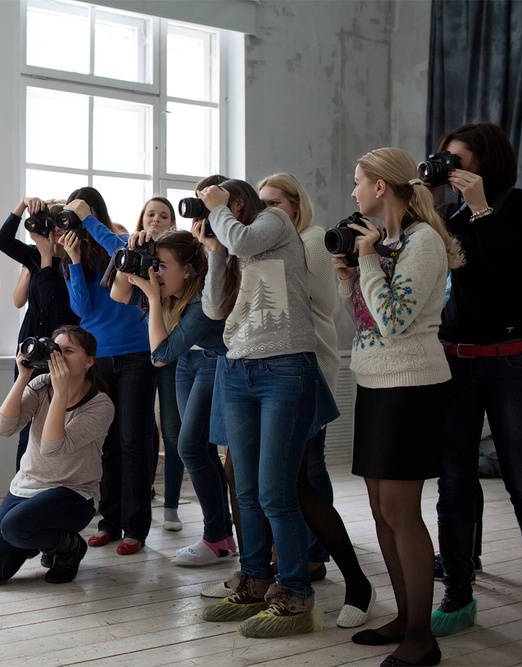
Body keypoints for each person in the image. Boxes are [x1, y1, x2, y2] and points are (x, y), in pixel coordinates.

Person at [335, 147, 462, 666]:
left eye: (358, 182)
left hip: (411, 386)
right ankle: (405, 616)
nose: (353, 192)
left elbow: (395, 320)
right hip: (376, 383)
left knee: (399, 512)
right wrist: (350, 275)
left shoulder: (423, 241)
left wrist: (367, 260)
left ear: (382, 187)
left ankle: (421, 637)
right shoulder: (386, 242)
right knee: (378, 511)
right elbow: (367, 319)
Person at [197, 179, 336, 639]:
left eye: (215, 199)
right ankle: (254, 580)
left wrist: (220, 217)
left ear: (236, 203)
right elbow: (215, 309)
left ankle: (295, 591)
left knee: (277, 491)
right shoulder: (236, 244)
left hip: (284, 369)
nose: (209, 207)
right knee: (248, 490)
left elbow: (242, 236)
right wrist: (214, 250)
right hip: (238, 370)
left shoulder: (274, 223)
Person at [432, 122, 522, 636]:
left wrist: (481, 209)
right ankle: (458, 589)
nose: (450, 169)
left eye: (457, 159)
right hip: (455, 360)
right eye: (445, 161)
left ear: (485, 161)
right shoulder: (449, 217)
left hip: (511, 360)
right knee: (453, 483)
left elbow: (508, 271)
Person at [258, 173, 375, 627]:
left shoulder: (309, 240)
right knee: (295, 479)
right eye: (262, 204)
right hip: (278, 370)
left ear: (296, 204)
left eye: (276, 203)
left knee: (302, 476)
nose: (269, 212)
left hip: (309, 369)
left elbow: (311, 301)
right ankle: (301, 560)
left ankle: (315, 559)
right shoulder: (278, 244)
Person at [109, 228, 236, 565]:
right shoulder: (174, 293)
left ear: (190, 269)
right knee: (198, 447)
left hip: (213, 361)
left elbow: (159, 354)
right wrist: (132, 251)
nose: (156, 272)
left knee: (191, 447)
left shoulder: (199, 304)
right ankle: (222, 537)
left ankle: (215, 536)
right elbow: (118, 296)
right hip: (186, 364)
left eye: (162, 265)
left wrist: (152, 298)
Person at [59, 187, 156, 555]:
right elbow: (82, 311)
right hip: (99, 358)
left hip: (136, 354)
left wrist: (89, 219)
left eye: (80, 212)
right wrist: (72, 260)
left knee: (135, 442)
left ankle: (136, 528)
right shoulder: (78, 253)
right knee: (108, 444)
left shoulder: (119, 240)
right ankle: (109, 522)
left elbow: (125, 247)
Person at [0, 326, 113, 585]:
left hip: (73, 494)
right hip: (28, 486)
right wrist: (23, 376)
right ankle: (46, 541)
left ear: (89, 361)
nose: (59, 357)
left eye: (69, 351)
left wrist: (60, 393)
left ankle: (69, 547)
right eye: (56, 350)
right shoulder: (41, 386)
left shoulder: (101, 406)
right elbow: (3, 429)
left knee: (15, 526)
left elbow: (53, 448)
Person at [0, 197, 79, 470]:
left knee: (56, 422)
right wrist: (21, 206)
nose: (55, 231)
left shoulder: (76, 264)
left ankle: (52, 485)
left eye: (60, 224)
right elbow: (3, 240)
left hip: (61, 352)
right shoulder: (33, 255)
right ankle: (22, 484)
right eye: (50, 224)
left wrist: (46, 257)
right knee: (24, 420)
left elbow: (50, 304)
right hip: (29, 349)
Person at [132, 197, 185, 531]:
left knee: (172, 428)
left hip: (170, 349)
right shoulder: (132, 248)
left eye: (163, 215)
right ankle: (142, 496)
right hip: (136, 351)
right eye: (150, 214)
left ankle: (172, 504)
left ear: (172, 223)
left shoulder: (178, 257)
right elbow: (120, 294)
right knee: (138, 430)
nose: (156, 219)